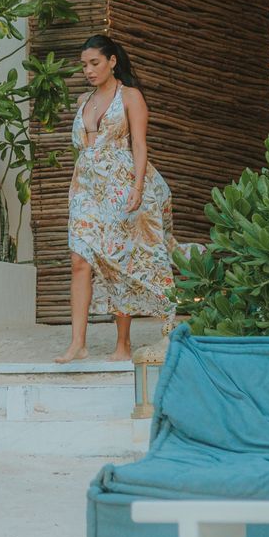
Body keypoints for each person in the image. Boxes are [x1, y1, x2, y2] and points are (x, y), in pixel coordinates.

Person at [55, 34, 177, 363]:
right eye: (84, 65)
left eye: (95, 63)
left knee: (119, 261)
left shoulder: (130, 96)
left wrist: (137, 187)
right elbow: (85, 147)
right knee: (79, 261)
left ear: (112, 61)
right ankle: (77, 343)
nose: (89, 70)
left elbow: (139, 144)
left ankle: (123, 344)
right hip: (86, 188)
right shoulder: (84, 101)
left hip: (120, 185)